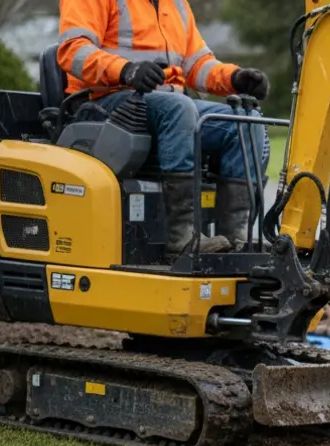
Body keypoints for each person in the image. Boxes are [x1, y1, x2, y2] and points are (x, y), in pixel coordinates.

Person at [57, 0, 271, 256]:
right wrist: (126, 70)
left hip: (167, 104)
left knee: (245, 120)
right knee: (179, 107)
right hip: (105, 101)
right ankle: (182, 237)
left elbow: (197, 64)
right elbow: (73, 50)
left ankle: (236, 237)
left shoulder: (176, 5)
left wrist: (234, 78)